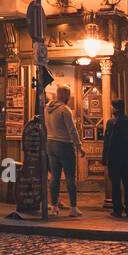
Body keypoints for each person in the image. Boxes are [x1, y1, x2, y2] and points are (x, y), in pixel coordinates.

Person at [46, 86, 84, 217]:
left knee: (54, 178)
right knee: (70, 178)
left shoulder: (47, 108)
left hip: (50, 144)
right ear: (66, 95)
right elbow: (72, 130)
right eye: (68, 94)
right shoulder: (65, 110)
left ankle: (53, 207)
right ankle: (73, 208)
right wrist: (79, 146)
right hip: (64, 145)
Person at [102, 99, 128, 218]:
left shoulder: (111, 123)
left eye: (112, 107)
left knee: (116, 185)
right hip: (126, 158)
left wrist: (105, 157)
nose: (111, 109)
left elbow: (107, 142)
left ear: (116, 108)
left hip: (114, 157)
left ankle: (117, 209)